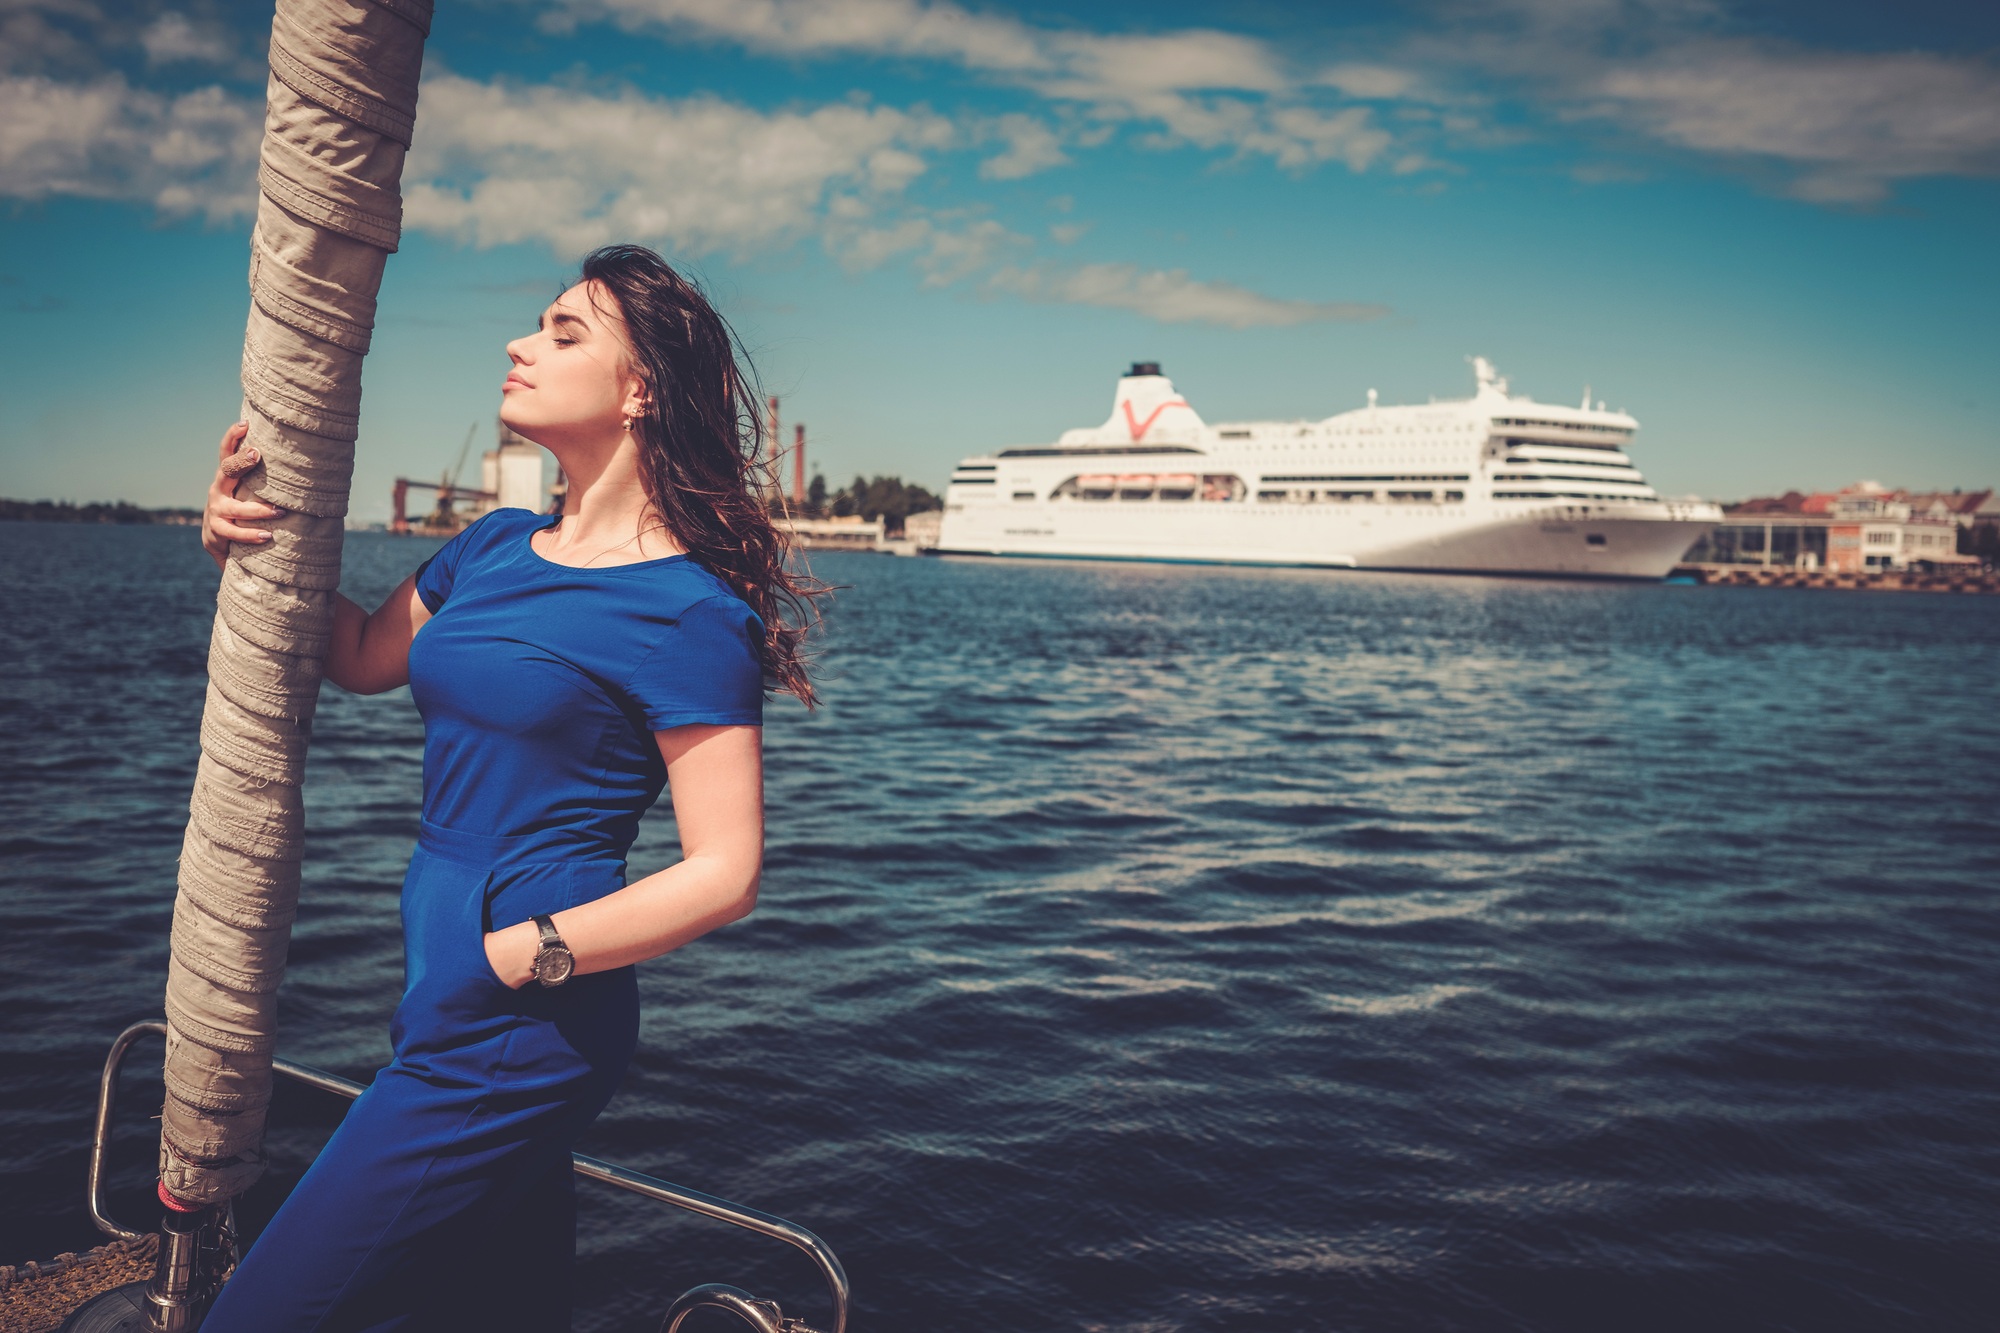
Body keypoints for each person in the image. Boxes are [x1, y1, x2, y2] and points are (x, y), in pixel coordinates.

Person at [194, 244, 821, 1332]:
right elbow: (351, 654)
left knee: (261, 1316)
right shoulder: (489, 547)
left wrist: (517, 955)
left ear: (639, 391)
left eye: (564, 332)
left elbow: (726, 872)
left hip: (523, 1009)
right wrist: (246, 544)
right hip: (438, 974)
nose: (520, 344)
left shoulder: (686, 608)